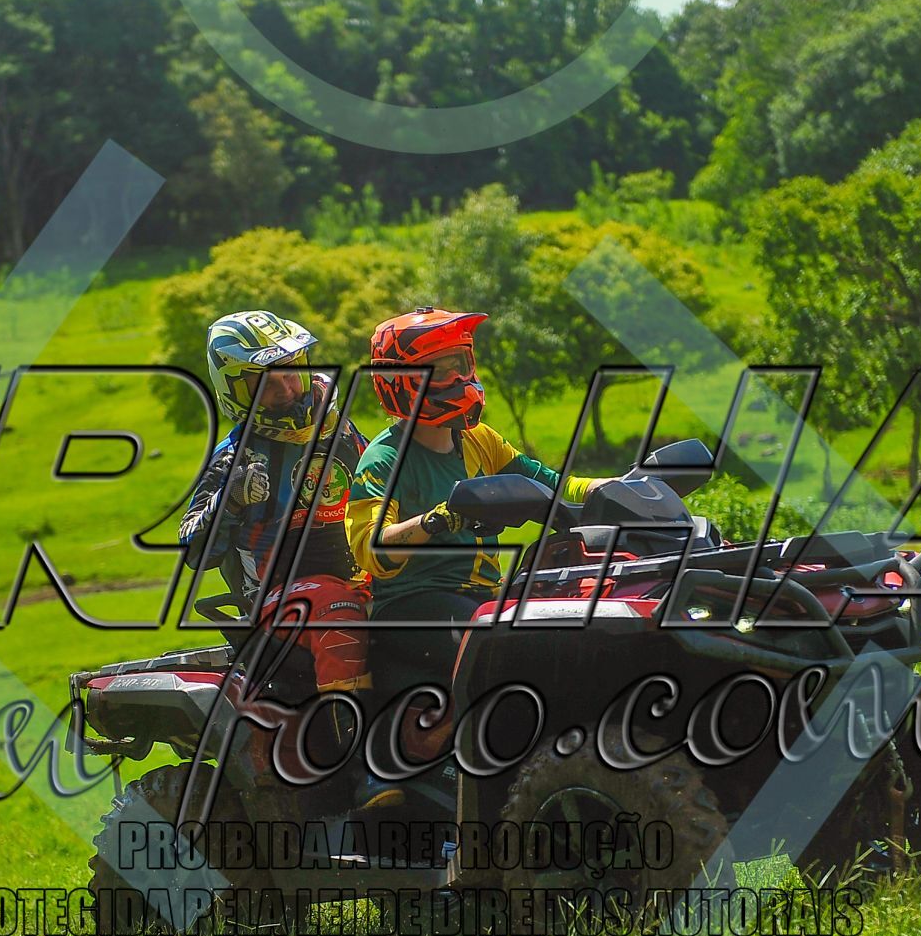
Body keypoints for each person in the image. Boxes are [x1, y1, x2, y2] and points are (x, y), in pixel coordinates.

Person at [345, 306, 615, 705]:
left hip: (482, 594)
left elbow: (548, 482)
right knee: (501, 654)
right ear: (401, 383)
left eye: (460, 364)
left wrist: (613, 488)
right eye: (440, 370)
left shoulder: (479, 439)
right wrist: (436, 520)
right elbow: (372, 551)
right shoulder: (383, 459)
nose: (458, 379)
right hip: (411, 603)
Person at [182, 311, 378, 789]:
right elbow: (193, 548)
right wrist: (230, 498)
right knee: (336, 608)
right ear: (234, 390)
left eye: (291, 371)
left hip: (358, 574)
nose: (287, 389)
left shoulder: (340, 430)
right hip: (275, 596)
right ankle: (362, 769)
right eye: (266, 382)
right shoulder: (234, 457)